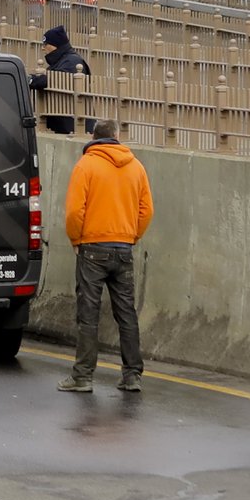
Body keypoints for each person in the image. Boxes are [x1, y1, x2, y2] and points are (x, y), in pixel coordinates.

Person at [59, 120, 154, 394]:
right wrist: (131, 236)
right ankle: (132, 375)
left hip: (92, 248)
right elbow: (146, 210)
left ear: (93, 137)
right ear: (117, 137)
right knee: (126, 313)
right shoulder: (136, 166)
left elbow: (75, 211)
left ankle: (82, 377)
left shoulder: (86, 166)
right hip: (123, 247)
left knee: (88, 314)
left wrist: (76, 239)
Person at [30, 26, 93, 133]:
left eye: (46, 44)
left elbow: (58, 79)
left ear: (56, 46)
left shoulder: (72, 61)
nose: (43, 48)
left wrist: (33, 81)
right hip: (66, 124)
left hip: (74, 125)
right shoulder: (62, 61)